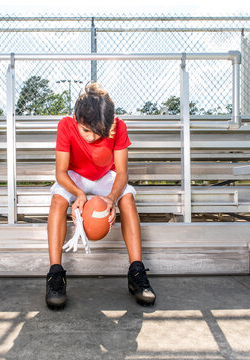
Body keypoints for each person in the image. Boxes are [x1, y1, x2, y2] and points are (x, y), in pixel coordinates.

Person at [46, 82, 156, 310]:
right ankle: (55, 274)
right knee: (57, 201)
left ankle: (136, 271)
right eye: (86, 131)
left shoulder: (118, 126)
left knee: (128, 199)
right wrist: (78, 194)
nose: (91, 138)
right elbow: (61, 172)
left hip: (106, 176)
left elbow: (122, 172)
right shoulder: (66, 125)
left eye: (98, 133)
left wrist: (112, 198)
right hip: (75, 176)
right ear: (76, 118)